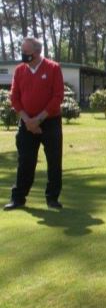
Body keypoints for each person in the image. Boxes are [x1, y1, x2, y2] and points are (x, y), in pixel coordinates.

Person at [5, 37, 65, 211]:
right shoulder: (19, 70)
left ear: (37, 52)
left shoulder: (53, 68)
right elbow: (14, 97)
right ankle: (18, 199)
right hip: (26, 122)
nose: (23, 55)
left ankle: (52, 198)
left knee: (54, 161)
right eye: (22, 52)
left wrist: (38, 119)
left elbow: (57, 96)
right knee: (25, 161)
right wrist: (27, 120)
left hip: (50, 122)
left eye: (27, 52)